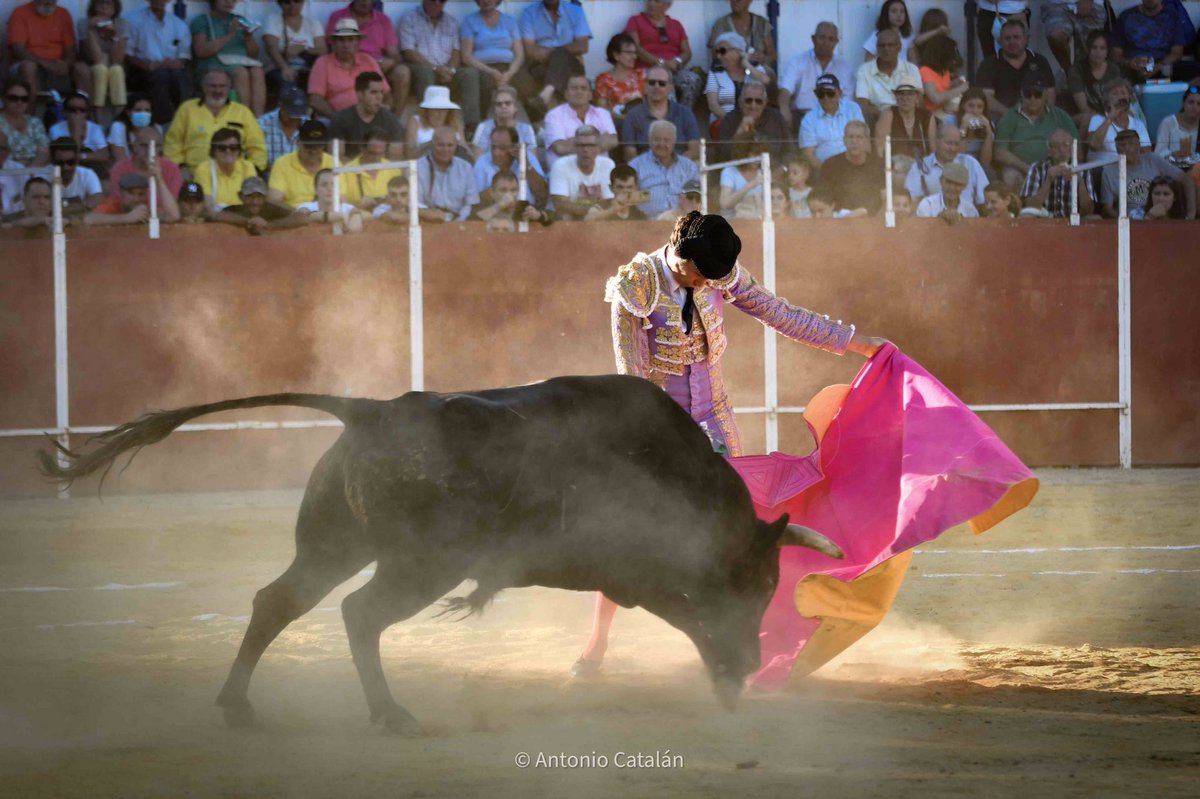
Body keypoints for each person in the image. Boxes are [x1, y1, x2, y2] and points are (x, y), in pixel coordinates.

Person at [574, 211, 886, 676]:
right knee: (633, 533)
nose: (708, 285)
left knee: (735, 532)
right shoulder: (635, 287)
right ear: (680, 258)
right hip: (658, 422)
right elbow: (632, 379)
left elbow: (779, 313)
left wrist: (854, 343)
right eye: (701, 274)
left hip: (715, 419)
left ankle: (733, 637)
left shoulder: (718, 270)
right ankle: (596, 644)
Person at [164, 68, 266, 173]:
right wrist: (180, 169)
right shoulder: (187, 109)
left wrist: (252, 172)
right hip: (194, 176)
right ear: (203, 87)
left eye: (222, 86)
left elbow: (258, 147)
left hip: (235, 177)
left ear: (229, 88)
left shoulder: (243, 112)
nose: (218, 91)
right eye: (213, 86)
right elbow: (172, 144)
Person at [399, 0, 481, 131]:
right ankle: (427, 125)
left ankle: (471, 127)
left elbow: (456, 51)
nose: (437, 3)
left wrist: (451, 70)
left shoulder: (451, 21)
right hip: (421, 69)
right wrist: (435, 68)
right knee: (425, 72)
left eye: (442, 0)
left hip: (445, 70)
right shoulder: (409, 18)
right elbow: (408, 51)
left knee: (470, 73)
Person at [994, 72, 1080, 190]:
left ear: (1045, 94)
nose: (1032, 98)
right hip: (1023, 171)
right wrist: (1029, 169)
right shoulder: (1009, 117)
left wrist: (1062, 166)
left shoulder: (1060, 116)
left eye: (1038, 94)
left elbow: (1077, 147)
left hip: (1058, 167)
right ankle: (1018, 208)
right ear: (1021, 94)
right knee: (1010, 175)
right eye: (1028, 94)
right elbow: (1000, 153)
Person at [325, 0, 409, 114]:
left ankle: (394, 119)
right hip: (349, 61)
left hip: (377, 65)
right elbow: (332, 48)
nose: (364, 2)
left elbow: (394, 54)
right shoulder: (338, 17)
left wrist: (391, 62)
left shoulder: (383, 20)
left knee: (402, 72)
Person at [461, 0, 536, 121]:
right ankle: (482, 125)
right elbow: (466, 56)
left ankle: (533, 124)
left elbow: (520, 54)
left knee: (526, 83)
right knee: (486, 86)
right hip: (483, 67)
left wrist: (510, 72)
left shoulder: (509, 21)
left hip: (508, 66)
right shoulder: (470, 21)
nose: (486, 1)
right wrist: (491, 71)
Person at [778, 21, 855, 138]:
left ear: (836, 42)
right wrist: (784, 108)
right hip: (802, 117)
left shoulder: (844, 67)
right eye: (822, 38)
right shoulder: (797, 62)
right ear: (813, 39)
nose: (826, 43)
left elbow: (847, 101)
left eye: (831, 39)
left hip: (833, 118)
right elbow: (785, 91)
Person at [190, 0, 266, 116]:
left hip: (240, 61)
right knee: (241, 73)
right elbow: (200, 51)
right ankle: (242, 118)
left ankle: (258, 120)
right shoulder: (202, 21)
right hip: (213, 64)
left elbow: (253, 55)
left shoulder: (240, 20)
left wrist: (248, 38)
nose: (229, 2)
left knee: (257, 71)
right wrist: (230, 35)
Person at [623, 0, 702, 110]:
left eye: (657, 1)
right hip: (648, 68)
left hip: (673, 69)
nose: (651, 4)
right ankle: (668, 123)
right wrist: (660, 63)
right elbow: (635, 48)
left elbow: (687, 52)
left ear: (667, 5)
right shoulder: (635, 21)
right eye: (649, 0)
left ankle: (684, 115)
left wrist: (677, 62)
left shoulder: (676, 24)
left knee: (693, 79)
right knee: (663, 84)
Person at [1100, 129, 1195, 218]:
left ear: (1139, 145)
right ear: (1116, 148)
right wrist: (1126, 221)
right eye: (1122, 145)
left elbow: (1187, 180)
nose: (1127, 148)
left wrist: (1190, 215)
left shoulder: (1153, 160)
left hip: (1161, 216)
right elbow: (1107, 209)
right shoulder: (1109, 171)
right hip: (1131, 221)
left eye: (1131, 143)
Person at [125, 0, 191, 125]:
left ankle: (185, 119)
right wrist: (148, 66)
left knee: (177, 75)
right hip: (141, 71)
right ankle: (164, 123)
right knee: (161, 75)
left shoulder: (178, 24)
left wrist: (175, 63)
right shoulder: (133, 20)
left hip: (170, 72)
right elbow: (127, 55)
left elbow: (184, 58)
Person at [519, 0, 591, 114]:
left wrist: (554, 52)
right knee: (559, 54)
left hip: (571, 65)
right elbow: (530, 51)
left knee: (561, 53)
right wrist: (558, 53)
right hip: (540, 65)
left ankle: (545, 94)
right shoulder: (529, 13)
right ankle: (549, 96)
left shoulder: (575, 11)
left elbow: (583, 46)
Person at [308, 18, 388, 119]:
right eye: (341, 40)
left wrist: (384, 110)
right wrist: (337, 118)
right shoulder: (322, 63)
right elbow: (315, 100)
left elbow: (386, 93)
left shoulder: (368, 61)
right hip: (333, 119)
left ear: (358, 43)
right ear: (334, 43)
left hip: (368, 117)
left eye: (350, 40)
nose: (346, 45)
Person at [975, 20, 1055, 119]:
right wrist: (1013, 115)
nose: (1012, 42)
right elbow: (986, 98)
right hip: (1003, 118)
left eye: (1016, 37)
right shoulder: (989, 64)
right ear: (1000, 41)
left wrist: (1038, 116)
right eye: (1007, 38)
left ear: (1026, 39)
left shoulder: (1040, 61)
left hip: (1037, 117)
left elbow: (1050, 94)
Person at [620, 64, 700, 161]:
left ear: (670, 87)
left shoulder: (685, 113)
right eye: (652, 82)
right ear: (645, 85)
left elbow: (695, 149)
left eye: (662, 83)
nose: (656, 86)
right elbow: (630, 155)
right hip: (645, 171)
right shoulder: (632, 116)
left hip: (679, 168)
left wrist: (672, 165)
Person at [628, 119, 699, 217]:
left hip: (683, 222)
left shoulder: (688, 166)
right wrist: (648, 195)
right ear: (649, 140)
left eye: (666, 140)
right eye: (657, 139)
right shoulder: (635, 166)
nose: (661, 144)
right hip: (647, 224)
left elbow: (698, 196)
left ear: (674, 141)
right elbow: (628, 197)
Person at [7, 0, 77, 100]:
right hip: (27, 64)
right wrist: (46, 64)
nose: (48, 2)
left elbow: (70, 49)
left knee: (80, 69)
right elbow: (19, 50)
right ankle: (29, 114)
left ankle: (82, 112)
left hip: (56, 65)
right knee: (29, 66)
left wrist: (65, 64)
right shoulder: (20, 13)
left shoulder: (63, 14)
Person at [543, 75, 617, 167]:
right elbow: (561, 148)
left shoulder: (603, 113)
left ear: (590, 95)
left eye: (583, 88)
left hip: (599, 173)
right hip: (566, 173)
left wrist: (572, 142)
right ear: (566, 94)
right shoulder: (554, 115)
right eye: (574, 88)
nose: (579, 92)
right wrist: (597, 141)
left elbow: (613, 140)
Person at [1021, 128, 1097, 218]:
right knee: (1026, 215)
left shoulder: (1083, 170)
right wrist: (1048, 181)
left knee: (1095, 218)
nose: (1061, 149)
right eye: (1056, 146)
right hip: (1044, 217)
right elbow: (1030, 206)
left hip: (1073, 219)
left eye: (1066, 145)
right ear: (1049, 152)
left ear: (1072, 149)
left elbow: (1089, 210)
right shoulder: (1037, 168)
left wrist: (1079, 181)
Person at [905, 124, 988, 206]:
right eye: (949, 143)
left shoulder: (971, 163)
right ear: (937, 141)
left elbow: (983, 200)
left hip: (968, 217)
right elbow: (913, 202)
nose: (953, 148)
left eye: (956, 144)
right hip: (932, 217)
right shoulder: (919, 167)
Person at [329, 71, 405, 161]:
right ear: (360, 94)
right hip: (350, 172)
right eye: (374, 92)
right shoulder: (341, 119)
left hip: (383, 172)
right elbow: (336, 157)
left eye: (381, 92)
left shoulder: (390, 119)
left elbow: (396, 156)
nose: (379, 97)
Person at [107, 124, 183, 212]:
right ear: (134, 146)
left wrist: (159, 180)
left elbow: (173, 211)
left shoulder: (172, 169)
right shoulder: (120, 168)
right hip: (128, 220)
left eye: (155, 146)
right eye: (144, 145)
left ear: (161, 147)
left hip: (162, 221)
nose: (150, 151)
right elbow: (118, 204)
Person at [815, 120, 885, 216]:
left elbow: (885, 198)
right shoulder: (830, 165)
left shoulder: (879, 164)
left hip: (872, 219)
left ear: (866, 140)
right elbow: (824, 198)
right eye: (850, 137)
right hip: (840, 221)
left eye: (859, 137)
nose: (854, 141)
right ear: (844, 140)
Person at [1111, 0, 1192, 83]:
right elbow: (1116, 53)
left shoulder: (1172, 16)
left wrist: (1157, 67)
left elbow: (1177, 53)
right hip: (1133, 67)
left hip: (1162, 65)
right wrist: (1129, 63)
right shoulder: (1126, 16)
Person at [854, 28, 922, 121]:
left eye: (891, 45)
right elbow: (862, 105)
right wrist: (887, 118)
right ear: (877, 48)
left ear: (899, 47)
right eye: (882, 46)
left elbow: (919, 102)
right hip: (877, 119)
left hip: (907, 120)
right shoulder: (864, 70)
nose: (886, 49)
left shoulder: (911, 69)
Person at [548, 124, 614, 220]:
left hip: (597, 217)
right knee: (565, 216)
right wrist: (591, 210)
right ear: (575, 147)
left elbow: (609, 201)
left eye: (590, 145)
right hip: (568, 219)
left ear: (598, 148)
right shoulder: (560, 165)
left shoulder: (608, 165)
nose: (585, 150)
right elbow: (560, 204)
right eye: (581, 145)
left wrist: (592, 211)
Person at [799, 73, 865, 169]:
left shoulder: (852, 108)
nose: (826, 97)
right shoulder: (808, 119)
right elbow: (808, 155)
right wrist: (828, 172)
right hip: (825, 170)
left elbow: (863, 141)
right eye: (821, 94)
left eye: (830, 93)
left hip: (854, 166)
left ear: (840, 93)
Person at [705, 32, 771, 127]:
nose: (719, 56)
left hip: (756, 120)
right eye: (717, 52)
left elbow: (765, 80)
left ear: (737, 51)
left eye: (722, 51)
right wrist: (733, 122)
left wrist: (746, 64)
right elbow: (713, 105)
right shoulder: (715, 73)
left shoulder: (755, 69)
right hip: (724, 122)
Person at [74, 0, 128, 116]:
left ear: (115, 8)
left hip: (112, 62)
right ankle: (97, 118)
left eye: (108, 3)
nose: (104, 7)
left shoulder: (121, 23)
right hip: (93, 63)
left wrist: (114, 35)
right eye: (100, 3)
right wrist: (91, 31)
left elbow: (117, 60)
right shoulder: (84, 23)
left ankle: (119, 118)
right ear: (94, 6)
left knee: (116, 70)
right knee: (100, 69)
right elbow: (96, 58)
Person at [416, 126, 478, 223]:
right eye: (441, 145)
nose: (445, 150)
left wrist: (458, 221)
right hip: (427, 222)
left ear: (456, 146)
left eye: (450, 145)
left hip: (459, 222)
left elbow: (470, 203)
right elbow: (417, 203)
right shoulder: (418, 167)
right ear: (432, 144)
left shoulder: (465, 168)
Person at [263, 0, 326, 94]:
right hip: (279, 68)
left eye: (297, 1)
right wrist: (284, 68)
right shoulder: (273, 21)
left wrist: (302, 48)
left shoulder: (313, 23)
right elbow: (271, 48)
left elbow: (323, 50)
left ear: (303, 2)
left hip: (307, 68)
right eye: (287, 2)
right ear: (280, 4)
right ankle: (288, 108)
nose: (292, 5)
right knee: (288, 79)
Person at [473, 124, 547, 204]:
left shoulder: (528, 158)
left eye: (502, 148)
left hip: (526, 212)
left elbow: (542, 195)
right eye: (493, 147)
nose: (496, 153)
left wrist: (525, 163)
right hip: (494, 213)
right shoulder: (482, 162)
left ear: (514, 147)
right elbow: (474, 201)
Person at [716, 78, 784, 163]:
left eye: (758, 101)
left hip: (773, 171)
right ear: (740, 102)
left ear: (765, 102)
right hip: (740, 172)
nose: (753, 106)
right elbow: (723, 156)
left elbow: (790, 151)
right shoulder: (729, 119)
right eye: (748, 101)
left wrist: (783, 169)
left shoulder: (776, 118)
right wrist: (739, 132)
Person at [268, 119, 332, 208]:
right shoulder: (282, 164)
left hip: (326, 215)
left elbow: (341, 198)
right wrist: (298, 213)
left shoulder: (333, 163)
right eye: (309, 146)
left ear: (324, 145)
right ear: (298, 143)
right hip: (293, 216)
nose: (313, 151)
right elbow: (273, 200)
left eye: (318, 147)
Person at [1068, 31, 1122, 132]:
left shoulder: (1113, 70)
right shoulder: (1076, 70)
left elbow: (1118, 99)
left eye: (1102, 48)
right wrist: (1107, 120)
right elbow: (1083, 108)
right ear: (1088, 50)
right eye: (1094, 47)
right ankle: (1082, 148)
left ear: (1107, 52)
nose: (1098, 52)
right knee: (1088, 118)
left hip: (1109, 113)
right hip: (1082, 115)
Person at [214, 174, 307, 233]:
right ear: (240, 196)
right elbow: (218, 216)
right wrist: (248, 221)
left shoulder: (272, 208)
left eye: (259, 197)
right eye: (249, 196)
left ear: (265, 197)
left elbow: (301, 218)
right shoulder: (235, 210)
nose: (255, 202)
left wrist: (268, 225)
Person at [193, 125, 256, 211]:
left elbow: (253, 202)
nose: (228, 151)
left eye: (233, 148)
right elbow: (208, 206)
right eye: (222, 148)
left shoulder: (248, 167)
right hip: (215, 220)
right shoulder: (204, 169)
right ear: (214, 151)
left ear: (239, 150)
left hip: (243, 218)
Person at [874, 74, 935, 163]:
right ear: (896, 97)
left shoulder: (927, 117)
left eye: (910, 94)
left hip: (921, 168)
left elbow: (933, 150)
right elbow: (879, 150)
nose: (905, 98)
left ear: (917, 97)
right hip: (895, 169)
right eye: (901, 94)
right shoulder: (888, 114)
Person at [85, 167, 178, 223]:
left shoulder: (147, 209)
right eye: (131, 193)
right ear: (121, 194)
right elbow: (89, 219)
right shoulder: (113, 204)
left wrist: (160, 181)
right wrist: (128, 217)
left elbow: (173, 216)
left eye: (141, 194)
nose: (136, 199)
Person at [338, 128, 402, 210]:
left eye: (380, 153)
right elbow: (341, 208)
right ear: (362, 148)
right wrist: (358, 207)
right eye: (372, 153)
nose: (376, 158)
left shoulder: (394, 170)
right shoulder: (345, 172)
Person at [706, 0, 776, 73]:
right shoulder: (720, 24)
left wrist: (762, 58)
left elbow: (772, 55)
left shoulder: (761, 23)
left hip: (757, 74)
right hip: (730, 74)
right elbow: (715, 56)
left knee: (769, 75)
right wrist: (731, 54)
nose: (735, 1)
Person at [48, 91, 109, 174]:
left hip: (92, 169)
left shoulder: (95, 128)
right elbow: (67, 157)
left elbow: (104, 155)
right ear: (65, 112)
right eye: (73, 110)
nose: (78, 113)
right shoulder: (56, 129)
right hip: (65, 169)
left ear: (87, 113)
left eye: (82, 110)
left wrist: (82, 156)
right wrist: (76, 130)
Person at [1087, 78, 1152, 154]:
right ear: (1107, 101)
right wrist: (1110, 118)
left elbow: (1147, 153)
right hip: (1104, 165)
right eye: (1115, 94)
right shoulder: (1097, 120)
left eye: (1123, 93)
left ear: (1129, 98)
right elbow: (1094, 145)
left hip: (1130, 165)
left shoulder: (1138, 125)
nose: (1120, 97)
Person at [470, 85, 536, 158]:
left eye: (507, 103)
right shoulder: (483, 127)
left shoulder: (527, 129)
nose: (503, 106)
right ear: (494, 109)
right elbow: (477, 159)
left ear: (515, 107)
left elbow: (533, 161)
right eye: (499, 104)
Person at [1043, 0, 1108, 72]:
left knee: (1091, 51)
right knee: (1057, 37)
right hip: (1057, 5)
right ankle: (1070, 73)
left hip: (1093, 5)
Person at [472, 170, 546, 231]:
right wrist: (500, 205)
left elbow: (551, 219)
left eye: (513, 190)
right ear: (492, 192)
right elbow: (471, 223)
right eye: (503, 190)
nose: (509, 195)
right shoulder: (484, 206)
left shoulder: (524, 207)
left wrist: (539, 216)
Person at [405, 85, 466, 159]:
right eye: (436, 109)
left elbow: (466, 151)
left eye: (444, 110)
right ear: (427, 110)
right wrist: (432, 143)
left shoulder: (455, 123)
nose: (440, 114)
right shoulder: (415, 121)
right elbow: (410, 155)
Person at [595, 32, 644, 122]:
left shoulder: (641, 75)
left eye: (635, 53)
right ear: (616, 55)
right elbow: (602, 112)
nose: (634, 56)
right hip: (616, 125)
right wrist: (625, 119)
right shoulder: (603, 79)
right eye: (629, 52)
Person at [297, 167, 364, 232]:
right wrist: (332, 216)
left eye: (333, 185)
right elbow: (302, 215)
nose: (329, 189)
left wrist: (356, 215)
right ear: (316, 189)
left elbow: (368, 215)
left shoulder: (345, 208)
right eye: (324, 185)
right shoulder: (307, 207)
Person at [0, 79, 50, 166]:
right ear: (4, 99)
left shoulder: (35, 122)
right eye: (13, 98)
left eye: (24, 99)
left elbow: (43, 152)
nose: (19, 102)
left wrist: (29, 173)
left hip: (35, 170)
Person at [48, 136, 103, 215]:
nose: (65, 167)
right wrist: (83, 206)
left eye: (70, 162)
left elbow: (97, 199)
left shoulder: (87, 174)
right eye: (60, 163)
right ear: (52, 161)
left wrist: (58, 209)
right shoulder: (44, 176)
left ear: (77, 160)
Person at [258, 84, 307, 168]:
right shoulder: (262, 124)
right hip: (270, 175)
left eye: (298, 115)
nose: (295, 119)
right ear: (281, 107)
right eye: (291, 115)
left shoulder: (309, 126)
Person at [918, 35, 966, 120]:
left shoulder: (944, 70)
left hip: (946, 111)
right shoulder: (925, 70)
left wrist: (954, 84)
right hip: (931, 117)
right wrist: (960, 89)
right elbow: (935, 98)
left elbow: (941, 87)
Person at [719, 136, 765, 219]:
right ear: (743, 153)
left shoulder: (763, 171)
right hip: (732, 220)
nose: (757, 158)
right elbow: (724, 204)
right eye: (754, 154)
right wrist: (751, 185)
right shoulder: (729, 172)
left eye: (760, 154)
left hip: (757, 220)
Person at [950, 88, 995, 169]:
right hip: (956, 166)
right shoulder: (951, 122)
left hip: (978, 168)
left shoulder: (988, 124)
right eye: (970, 106)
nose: (975, 111)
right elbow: (959, 159)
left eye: (979, 107)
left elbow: (985, 163)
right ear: (963, 105)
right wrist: (963, 128)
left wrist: (988, 133)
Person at [1155, 85, 1200, 161]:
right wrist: (1173, 154)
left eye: (1199, 104)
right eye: (1191, 102)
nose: (1194, 107)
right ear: (1183, 103)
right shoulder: (1168, 123)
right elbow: (1158, 153)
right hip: (1171, 169)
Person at [107, 93, 154, 161]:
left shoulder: (156, 129)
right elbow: (120, 161)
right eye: (138, 110)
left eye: (147, 111)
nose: (143, 114)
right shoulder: (118, 127)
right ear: (128, 112)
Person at [784, 154, 813, 218]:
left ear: (806, 174)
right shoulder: (788, 192)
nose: (790, 176)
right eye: (789, 173)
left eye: (795, 173)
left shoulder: (812, 192)